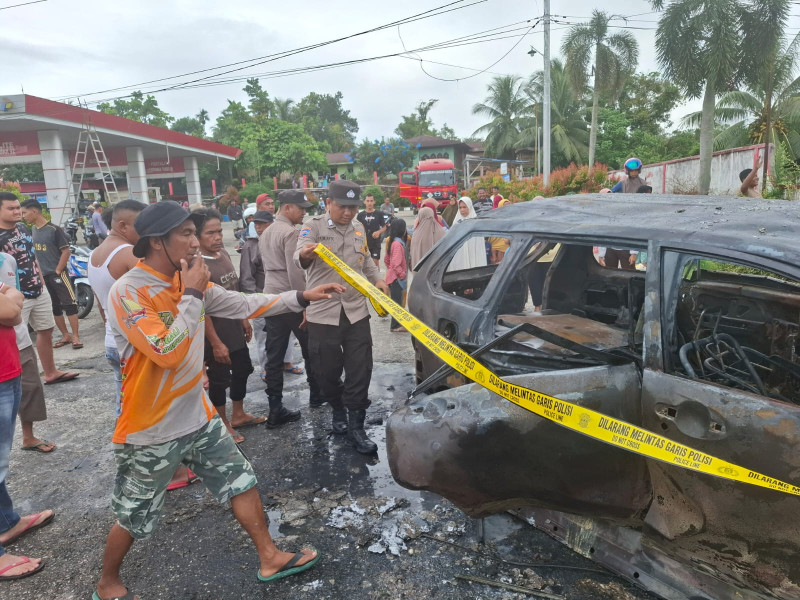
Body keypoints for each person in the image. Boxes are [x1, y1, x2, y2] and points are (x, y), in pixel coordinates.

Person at [93, 201, 341, 600]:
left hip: (198, 416)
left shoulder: (188, 284)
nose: (195, 243)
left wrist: (302, 296)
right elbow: (167, 350)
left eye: (196, 234)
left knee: (242, 481)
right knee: (134, 515)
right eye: (186, 235)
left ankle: (270, 556)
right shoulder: (130, 291)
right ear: (157, 242)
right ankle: (107, 584)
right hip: (151, 428)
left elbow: (243, 303)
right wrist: (191, 293)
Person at [295, 180, 390, 454]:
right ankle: (337, 408)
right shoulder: (314, 226)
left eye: (353, 207)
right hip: (323, 312)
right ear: (328, 204)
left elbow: (367, 262)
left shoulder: (359, 227)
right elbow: (298, 254)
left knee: (360, 369)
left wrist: (379, 280)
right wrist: (304, 253)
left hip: (356, 309)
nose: (348, 213)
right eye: (342, 207)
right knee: (325, 372)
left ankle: (356, 426)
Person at [190, 208, 265, 443]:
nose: (218, 237)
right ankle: (222, 423)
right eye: (210, 233)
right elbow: (202, 308)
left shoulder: (222, 254)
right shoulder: (196, 265)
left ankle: (239, 414)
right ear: (197, 236)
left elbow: (234, 291)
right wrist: (215, 342)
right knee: (220, 379)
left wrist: (244, 318)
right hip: (215, 335)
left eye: (219, 231)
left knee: (242, 369)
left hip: (234, 328)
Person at [0, 280, 54, 581]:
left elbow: (14, 305)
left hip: (6, 371)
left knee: (0, 464)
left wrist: (10, 304)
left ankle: (7, 523)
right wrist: (9, 303)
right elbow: (10, 309)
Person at [0, 193, 78, 385]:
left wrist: (41, 281)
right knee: (17, 340)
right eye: (11, 208)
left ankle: (50, 372)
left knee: (46, 329)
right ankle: (19, 382)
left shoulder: (23, 228)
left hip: (38, 288)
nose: (17, 211)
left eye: (18, 207)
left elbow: (32, 254)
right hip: (15, 296)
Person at [261, 190, 324, 423]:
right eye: (301, 209)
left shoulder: (266, 231)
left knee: (274, 356)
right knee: (310, 351)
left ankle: (274, 407)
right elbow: (295, 271)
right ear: (287, 208)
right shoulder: (290, 232)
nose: (303, 213)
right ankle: (317, 395)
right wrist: (305, 304)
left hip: (271, 298)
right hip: (290, 297)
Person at [0, 251, 54, 454]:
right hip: (7, 335)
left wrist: (11, 307)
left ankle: (28, 436)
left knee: (30, 386)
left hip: (18, 336)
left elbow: (17, 297)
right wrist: (11, 309)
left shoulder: (8, 259)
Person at [20, 200, 82, 350]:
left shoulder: (54, 229)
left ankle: (75, 336)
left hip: (58, 275)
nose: (23, 216)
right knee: (55, 307)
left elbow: (66, 251)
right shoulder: (33, 230)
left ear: (34, 211)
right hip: (44, 277)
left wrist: (58, 271)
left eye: (24, 212)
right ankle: (65, 335)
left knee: (69, 305)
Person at [239, 210, 273, 381]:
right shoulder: (250, 246)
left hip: (280, 297)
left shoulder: (277, 240)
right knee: (263, 335)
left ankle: (285, 363)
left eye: (263, 224)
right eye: (256, 224)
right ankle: (266, 368)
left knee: (284, 334)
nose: (259, 228)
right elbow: (246, 276)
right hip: (260, 298)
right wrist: (252, 300)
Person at [448, 197, 488, 271]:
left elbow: (479, 246)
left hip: (474, 255)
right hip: (460, 256)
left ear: (469, 207)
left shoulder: (475, 223)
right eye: (460, 207)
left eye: (464, 207)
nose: (462, 210)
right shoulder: (456, 223)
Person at [384, 219, 409, 333]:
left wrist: (390, 270)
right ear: (402, 230)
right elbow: (395, 263)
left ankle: (396, 324)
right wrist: (401, 274)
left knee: (396, 302)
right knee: (397, 304)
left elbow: (386, 260)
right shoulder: (398, 245)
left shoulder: (392, 242)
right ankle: (395, 326)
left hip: (392, 277)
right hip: (397, 279)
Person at [356, 193, 390, 267]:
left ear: (374, 202)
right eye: (367, 201)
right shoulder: (360, 215)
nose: (369, 203)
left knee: (375, 263)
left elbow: (384, 227)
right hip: (364, 243)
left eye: (371, 201)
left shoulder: (379, 213)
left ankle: (377, 278)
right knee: (364, 264)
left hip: (375, 243)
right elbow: (356, 228)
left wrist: (379, 232)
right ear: (364, 202)